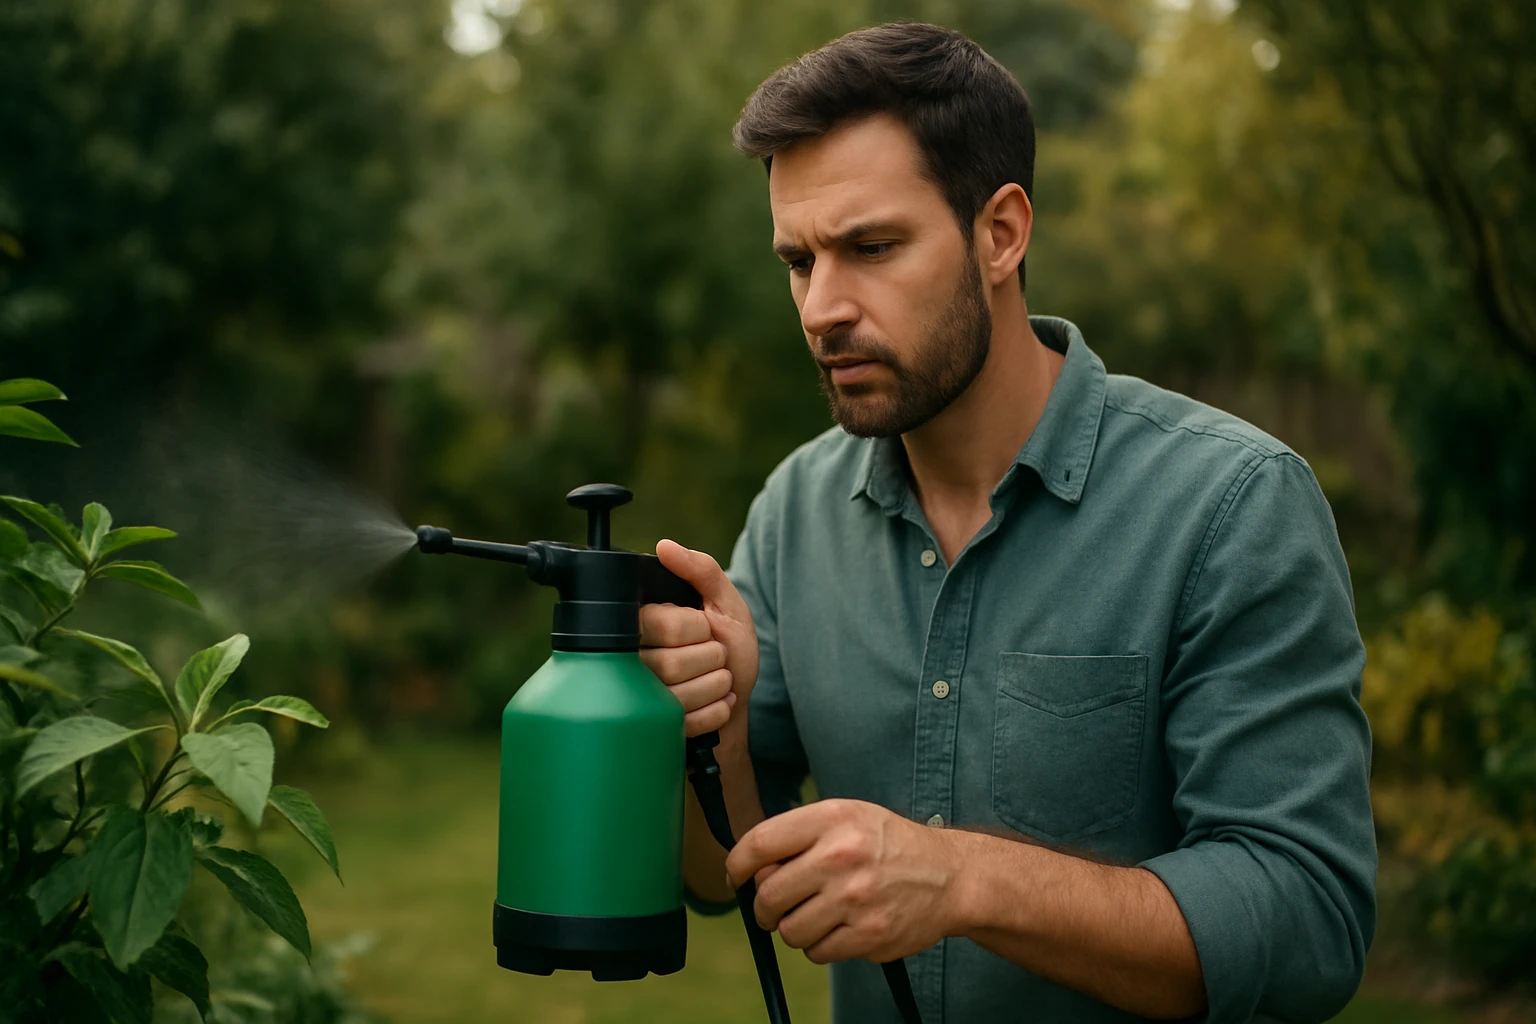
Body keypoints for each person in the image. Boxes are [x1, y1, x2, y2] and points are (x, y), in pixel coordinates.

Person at [639, 22, 1375, 1024]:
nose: (821, 306)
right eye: (799, 260)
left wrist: (962, 878)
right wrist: (710, 732)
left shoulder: (1231, 505)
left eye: (871, 247)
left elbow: (1308, 925)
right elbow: (720, 874)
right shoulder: (794, 513)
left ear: (1001, 232)